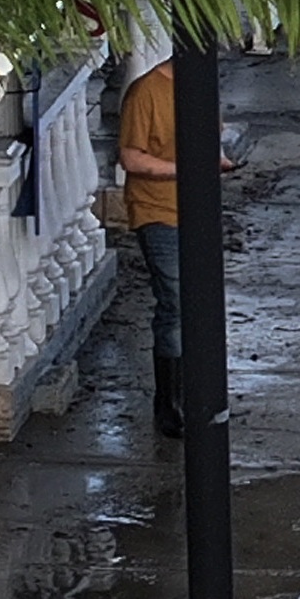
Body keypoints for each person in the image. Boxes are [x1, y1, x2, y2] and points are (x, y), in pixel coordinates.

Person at [119, 50, 184, 437]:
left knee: (190, 303)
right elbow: (130, 157)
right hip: (156, 210)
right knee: (174, 303)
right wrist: (183, 170)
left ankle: (183, 392)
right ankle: (168, 404)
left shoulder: (201, 89)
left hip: (193, 210)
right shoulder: (146, 92)